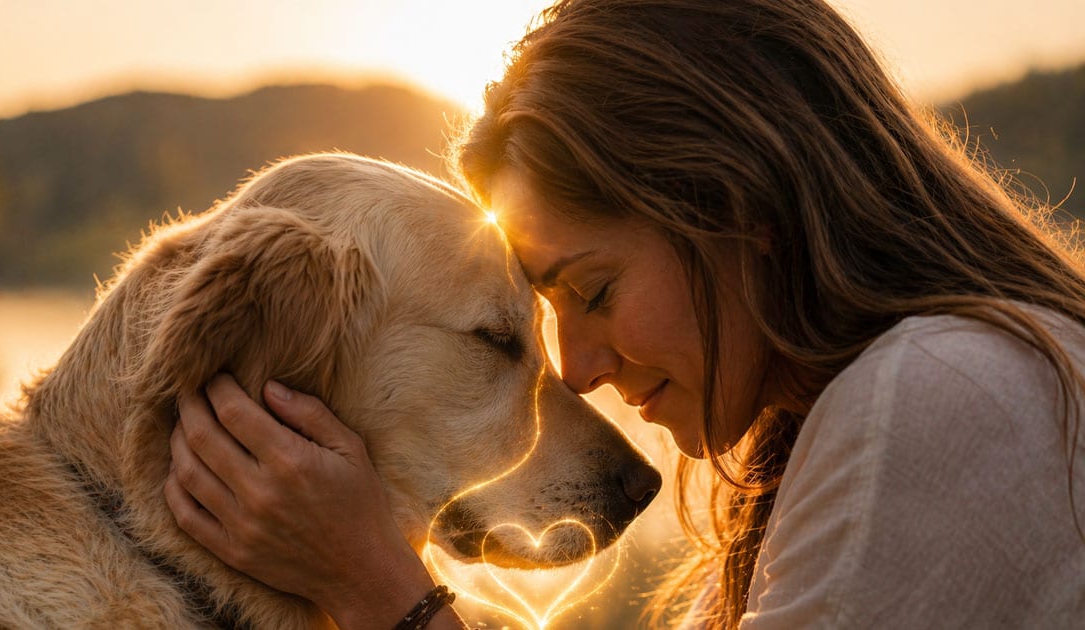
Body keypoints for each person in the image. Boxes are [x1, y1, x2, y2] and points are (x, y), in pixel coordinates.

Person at [163, 0, 1085, 627]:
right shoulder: (846, 424)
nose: (575, 367)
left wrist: (375, 588)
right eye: (544, 308)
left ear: (739, 208)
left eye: (594, 291)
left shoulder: (939, 394)